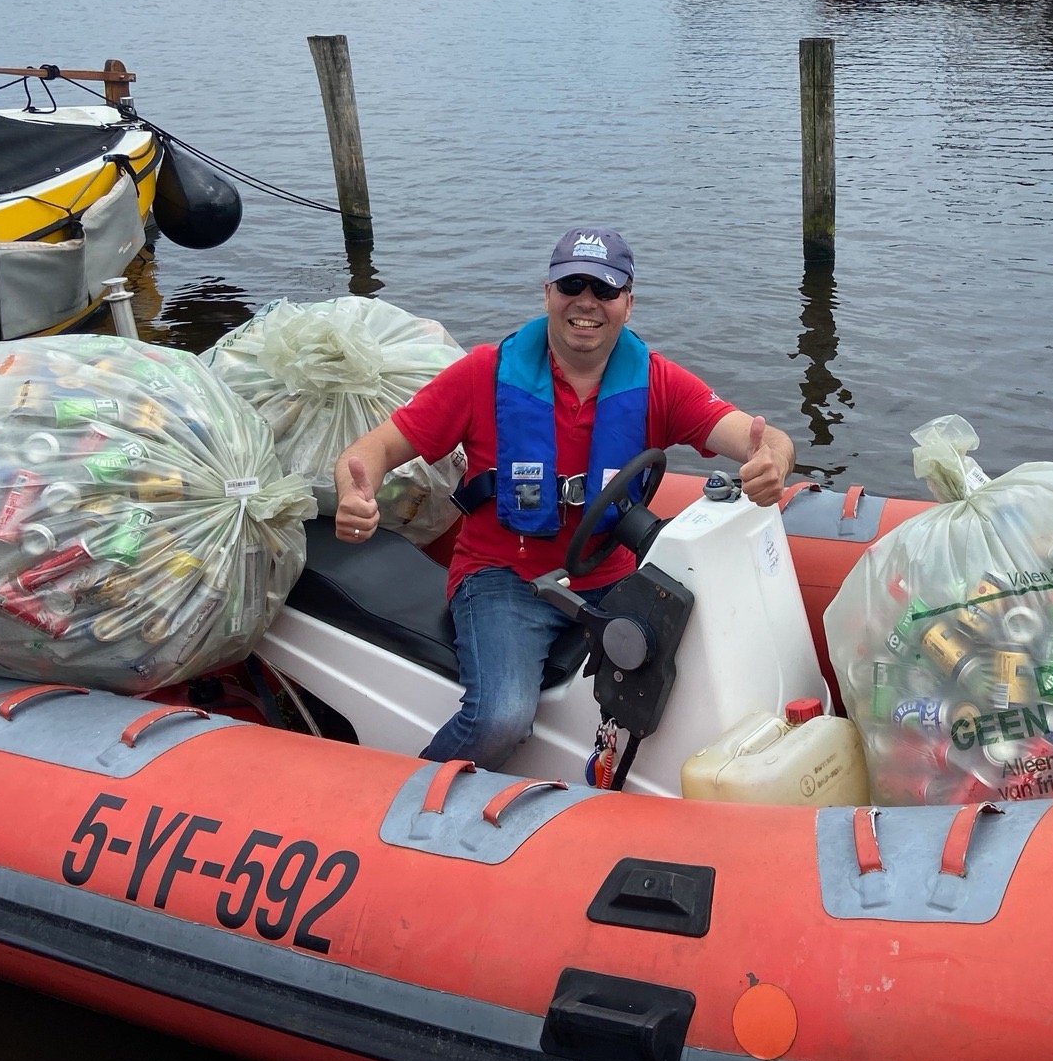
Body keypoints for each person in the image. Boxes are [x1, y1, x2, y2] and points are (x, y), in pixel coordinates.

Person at [330, 227, 797, 769]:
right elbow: (372, 450)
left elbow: (764, 438)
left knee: (713, 667)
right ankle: (406, 795)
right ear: (548, 293)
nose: (586, 302)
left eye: (604, 289)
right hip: (502, 577)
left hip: (614, 579)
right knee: (500, 717)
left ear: (627, 303)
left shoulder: (658, 382)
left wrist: (773, 461)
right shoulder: (483, 374)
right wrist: (354, 492)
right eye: (572, 285)